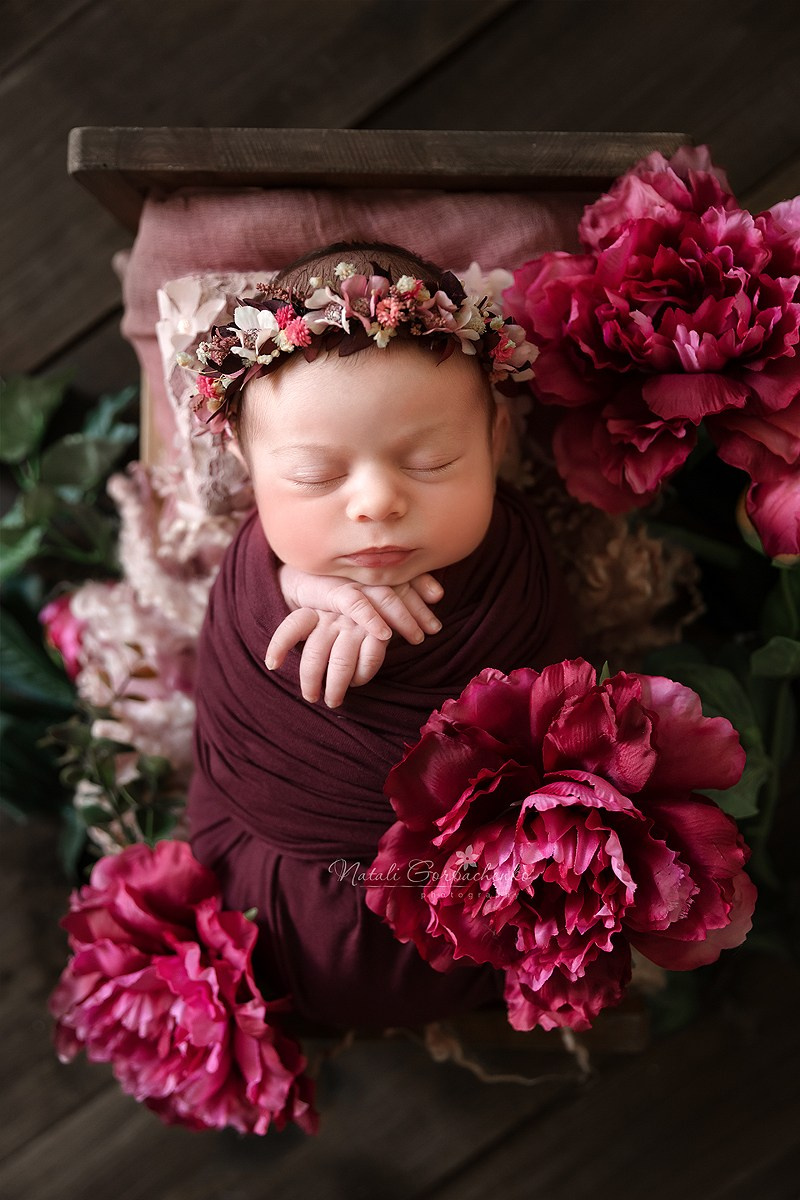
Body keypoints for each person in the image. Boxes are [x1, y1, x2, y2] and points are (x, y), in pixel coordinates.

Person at [186, 240, 576, 1031]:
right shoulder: (248, 580)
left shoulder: (517, 574)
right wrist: (286, 590)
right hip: (264, 899)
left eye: (431, 461)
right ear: (245, 462)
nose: (376, 504)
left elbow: (559, 739)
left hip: (474, 905)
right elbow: (225, 711)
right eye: (316, 477)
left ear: (496, 439)